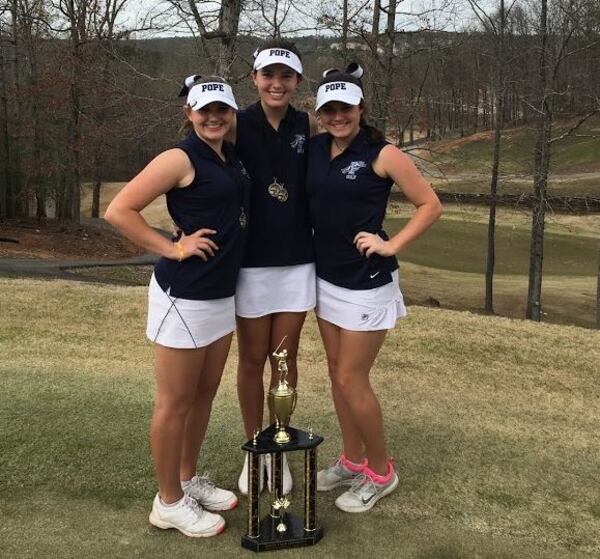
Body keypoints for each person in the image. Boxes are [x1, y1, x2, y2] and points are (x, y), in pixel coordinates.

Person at [104, 76, 250, 536]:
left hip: (220, 294)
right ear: (188, 112)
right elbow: (119, 210)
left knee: (203, 394)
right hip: (184, 295)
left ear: (232, 114)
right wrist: (172, 248)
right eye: (203, 109)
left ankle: (186, 479)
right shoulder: (179, 158)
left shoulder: (227, 155)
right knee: (174, 402)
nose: (213, 117)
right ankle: (167, 501)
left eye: (222, 110)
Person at [307, 64, 442, 513]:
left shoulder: (382, 153)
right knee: (335, 372)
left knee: (351, 377)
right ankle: (352, 458)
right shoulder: (315, 148)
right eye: (329, 109)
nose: (337, 116)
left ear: (361, 108)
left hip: (366, 283)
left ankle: (381, 471)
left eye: (345, 107)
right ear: (320, 113)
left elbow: (429, 204)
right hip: (325, 277)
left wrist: (392, 243)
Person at [233, 40, 317, 496]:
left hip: (295, 263)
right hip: (250, 264)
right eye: (269, 75)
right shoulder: (235, 122)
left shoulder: (306, 123)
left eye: (286, 76)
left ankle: (277, 445)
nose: (277, 84)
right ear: (255, 79)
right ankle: (253, 450)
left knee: (284, 360)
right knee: (250, 359)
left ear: (297, 82)